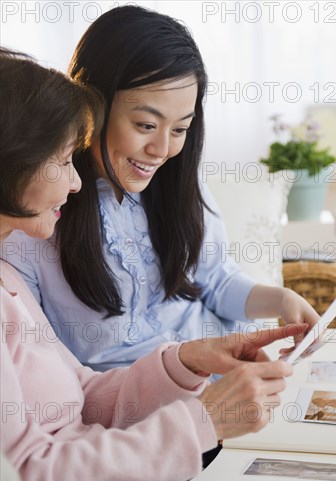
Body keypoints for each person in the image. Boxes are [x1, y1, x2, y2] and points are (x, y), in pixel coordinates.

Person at [1, 48, 336, 481]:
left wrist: (184, 362)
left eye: (180, 127)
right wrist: (205, 420)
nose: (77, 179)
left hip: (161, 446)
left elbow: (81, 397)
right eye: (63, 160)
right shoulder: (32, 248)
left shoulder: (8, 282)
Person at [1, 4, 319, 371]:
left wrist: (281, 301)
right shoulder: (36, 217)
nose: (163, 150)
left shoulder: (175, 185)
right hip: (149, 409)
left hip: (232, 370)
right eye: (146, 126)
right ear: (92, 104)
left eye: (180, 129)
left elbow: (214, 280)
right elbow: (46, 372)